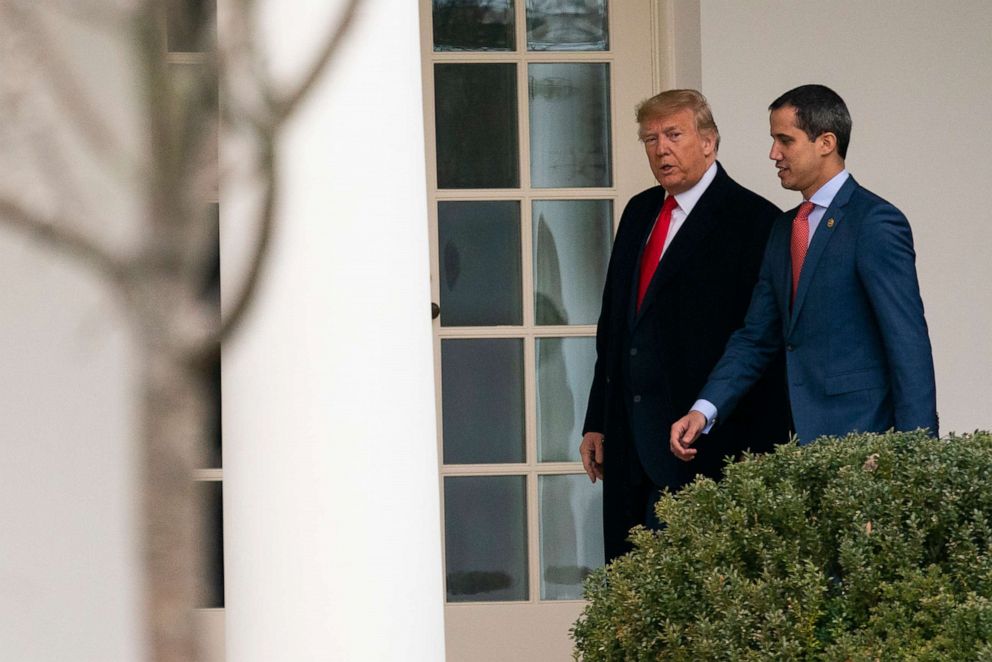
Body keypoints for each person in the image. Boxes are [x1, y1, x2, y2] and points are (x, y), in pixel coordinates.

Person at [670, 84, 938, 463]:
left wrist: (917, 455)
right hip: (795, 445)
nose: (773, 153)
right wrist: (704, 409)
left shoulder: (875, 222)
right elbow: (756, 336)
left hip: (865, 446)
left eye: (785, 140)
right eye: (773, 140)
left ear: (825, 142)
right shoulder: (784, 229)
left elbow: (907, 343)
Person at [580, 89, 790, 562]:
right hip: (630, 441)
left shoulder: (755, 222)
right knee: (631, 594)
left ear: (710, 141)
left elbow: (761, 342)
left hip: (704, 449)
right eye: (650, 139)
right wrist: (597, 419)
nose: (661, 149)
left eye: (674, 135)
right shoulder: (639, 212)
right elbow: (614, 324)